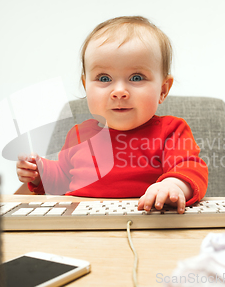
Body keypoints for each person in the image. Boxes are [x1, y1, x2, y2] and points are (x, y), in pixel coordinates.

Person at [16, 16, 208, 213]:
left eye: (136, 77)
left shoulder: (171, 131)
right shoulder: (79, 135)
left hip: (146, 223)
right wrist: (40, 172)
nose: (119, 91)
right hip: (80, 226)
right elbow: (62, 180)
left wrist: (173, 186)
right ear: (86, 86)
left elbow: (190, 168)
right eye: (104, 78)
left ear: (163, 90)